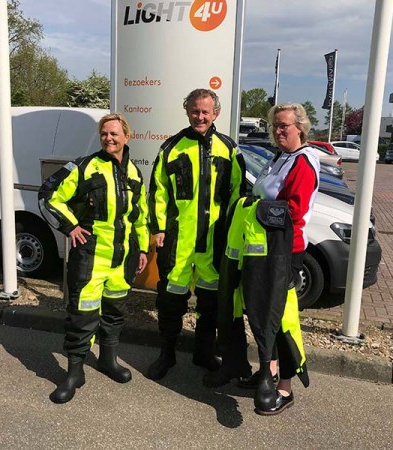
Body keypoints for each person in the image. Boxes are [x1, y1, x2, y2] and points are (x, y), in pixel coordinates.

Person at [206, 103, 319, 415]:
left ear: (300, 128)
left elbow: (292, 211)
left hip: (285, 252)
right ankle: (265, 373)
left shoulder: (304, 162)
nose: (279, 131)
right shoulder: (281, 157)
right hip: (262, 250)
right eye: (276, 126)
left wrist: (250, 206)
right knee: (259, 312)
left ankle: (285, 388)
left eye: (284, 126)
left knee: (279, 318)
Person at [38, 113, 150, 404]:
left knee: (115, 313)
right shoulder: (85, 166)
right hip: (90, 257)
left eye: (114, 134)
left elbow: (139, 216)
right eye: (104, 134)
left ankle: (107, 360)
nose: (109, 138)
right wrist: (70, 226)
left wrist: (142, 250)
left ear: (127, 136)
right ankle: (74, 373)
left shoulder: (135, 173)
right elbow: (49, 195)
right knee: (82, 315)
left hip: (122, 258)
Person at [146, 88, 246, 380]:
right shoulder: (171, 148)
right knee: (169, 304)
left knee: (211, 305)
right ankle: (166, 355)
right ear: (187, 110)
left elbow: (239, 195)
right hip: (178, 243)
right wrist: (158, 229)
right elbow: (158, 192)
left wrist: (234, 235)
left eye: (205, 111)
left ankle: (203, 353)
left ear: (216, 113)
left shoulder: (229, 149)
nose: (199, 116)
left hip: (214, 245)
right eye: (194, 110)